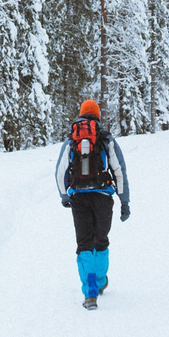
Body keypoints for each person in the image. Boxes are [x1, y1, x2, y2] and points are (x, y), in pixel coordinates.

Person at [54, 99, 130, 309]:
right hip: (103, 198)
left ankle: (90, 294)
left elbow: (60, 172)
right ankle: (99, 281)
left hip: (79, 197)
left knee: (84, 243)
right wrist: (124, 202)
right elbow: (119, 172)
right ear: (97, 116)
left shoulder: (71, 141)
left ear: (81, 115)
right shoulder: (106, 140)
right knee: (101, 240)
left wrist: (64, 196)